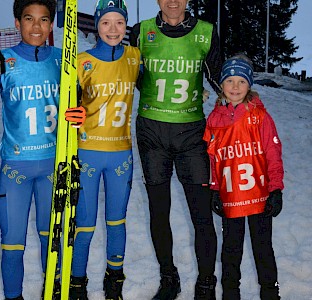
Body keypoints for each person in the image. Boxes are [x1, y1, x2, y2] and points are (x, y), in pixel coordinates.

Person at [0, 1, 85, 299]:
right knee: (12, 243)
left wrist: (80, 115)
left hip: (53, 167)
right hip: (15, 167)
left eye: (44, 20)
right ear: (17, 23)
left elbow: (78, 108)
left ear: (51, 24)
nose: (36, 27)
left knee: (51, 242)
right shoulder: (3, 61)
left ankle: (52, 292)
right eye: (28, 19)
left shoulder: (63, 61)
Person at [128, 0, 222, 299]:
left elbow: (223, 81)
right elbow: (121, 71)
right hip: (152, 133)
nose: (172, 1)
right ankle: (169, 277)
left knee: (202, 214)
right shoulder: (141, 32)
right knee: (159, 211)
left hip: (192, 134)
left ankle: (206, 282)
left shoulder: (206, 32)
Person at [69, 1, 140, 299]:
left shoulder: (135, 57)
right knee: (84, 225)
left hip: (121, 154)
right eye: (106, 23)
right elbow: (67, 106)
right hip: (88, 151)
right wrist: (70, 114)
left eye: (119, 23)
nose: (113, 29)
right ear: (96, 25)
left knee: (116, 222)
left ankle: (114, 284)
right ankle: (77, 284)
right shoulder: (81, 61)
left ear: (126, 26)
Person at [204, 54, 284, 300]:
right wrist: (215, 189)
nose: (235, 87)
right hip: (231, 197)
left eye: (241, 81)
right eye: (230, 81)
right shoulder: (215, 119)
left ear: (249, 84)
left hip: (258, 196)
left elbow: (273, 152)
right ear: (222, 85)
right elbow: (214, 158)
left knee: (262, 248)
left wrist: (276, 189)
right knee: (231, 249)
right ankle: (230, 293)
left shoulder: (260, 116)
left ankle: (270, 292)